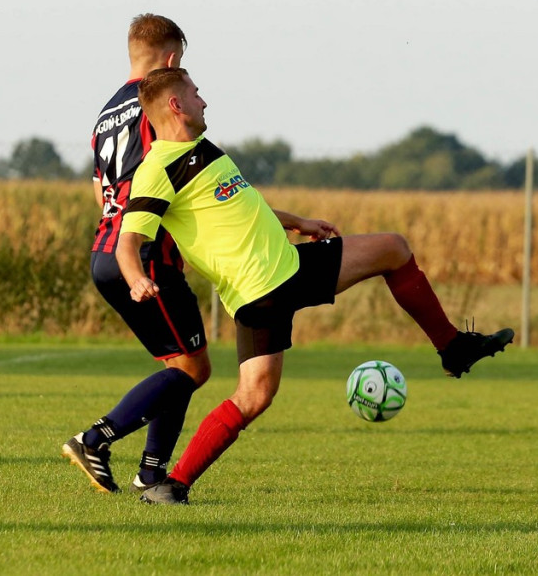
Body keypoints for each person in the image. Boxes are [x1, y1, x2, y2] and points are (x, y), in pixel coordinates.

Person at [117, 67, 515, 505]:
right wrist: (137, 278)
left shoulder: (203, 149)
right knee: (255, 396)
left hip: (290, 265)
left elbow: (243, 205)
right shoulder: (156, 170)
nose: (204, 100)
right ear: (176, 105)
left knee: (393, 249)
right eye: (196, 93)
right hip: (258, 292)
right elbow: (128, 241)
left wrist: (298, 221)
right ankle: (171, 487)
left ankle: (453, 347)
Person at [62, 15, 211, 494]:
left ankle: (151, 473)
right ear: (170, 61)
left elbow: (99, 188)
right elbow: (175, 171)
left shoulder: (104, 114)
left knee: (178, 364)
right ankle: (96, 439)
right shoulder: (158, 106)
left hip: (106, 251)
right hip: (146, 253)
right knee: (192, 367)